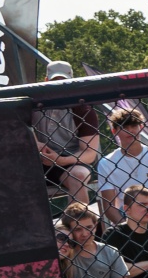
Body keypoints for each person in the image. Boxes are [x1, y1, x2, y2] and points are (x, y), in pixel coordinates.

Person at [31, 64, 100, 208]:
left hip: (71, 161)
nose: (59, 86)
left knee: (78, 176)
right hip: (34, 159)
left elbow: (89, 154)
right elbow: (18, 123)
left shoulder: (84, 108)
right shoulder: (33, 102)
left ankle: (79, 220)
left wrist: (61, 160)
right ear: (46, 81)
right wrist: (34, 141)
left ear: (72, 82)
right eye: (55, 81)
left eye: (64, 82)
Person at [93, 109, 148, 223]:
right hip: (126, 217)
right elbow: (109, 207)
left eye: (134, 126)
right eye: (124, 127)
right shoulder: (106, 163)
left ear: (141, 127)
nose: (130, 131)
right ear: (114, 131)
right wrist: (127, 229)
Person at [55, 203, 129, 278]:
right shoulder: (66, 253)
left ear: (96, 225)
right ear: (69, 231)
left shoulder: (110, 252)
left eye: (89, 227)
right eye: (78, 229)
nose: (85, 234)